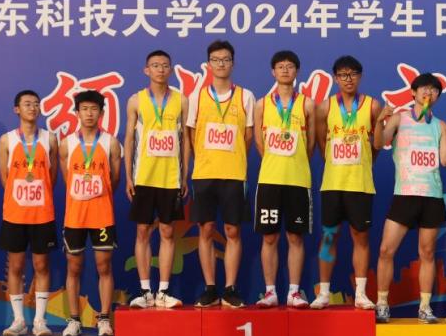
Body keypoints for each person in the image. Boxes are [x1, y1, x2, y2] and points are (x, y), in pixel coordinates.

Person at [373, 73, 446, 323]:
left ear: (437, 96)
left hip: (431, 196)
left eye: (434, 90)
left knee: (427, 253)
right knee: (386, 250)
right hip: (405, 194)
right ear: (413, 92)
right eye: (424, 88)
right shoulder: (400, 119)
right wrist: (379, 122)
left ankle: (425, 307)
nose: (428, 93)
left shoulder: (441, 126)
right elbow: (379, 143)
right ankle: (382, 303)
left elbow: (445, 160)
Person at [186, 40, 255, 308]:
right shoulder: (197, 97)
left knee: (232, 230)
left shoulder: (245, 96)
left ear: (233, 63)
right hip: (204, 174)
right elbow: (192, 134)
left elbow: (248, 136)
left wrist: (233, 157)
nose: (221, 64)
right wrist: (206, 159)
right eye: (216, 60)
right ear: (209, 64)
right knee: (205, 229)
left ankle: (230, 288)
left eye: (226, 59)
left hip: (234, 174)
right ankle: (210, 288)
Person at [311, 55, 384, 310]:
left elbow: (377, 144)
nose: (348, 79)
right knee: (329, 236)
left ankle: (361, 294)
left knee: (360, 238)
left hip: (360, 184)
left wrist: (365, 161)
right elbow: (322, 143)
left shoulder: (373, 105)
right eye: (343, 74)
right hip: (333, 183)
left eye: (352, 74)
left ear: (360, 76)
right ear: (335, 78)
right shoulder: (325, 107)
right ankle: (324, 293)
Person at [125, 50, 189, 309]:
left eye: (164, 65)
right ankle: (145, 292)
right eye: (155, 65)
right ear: (146, 70)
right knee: (142, 231)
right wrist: (128, 176)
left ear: (170, 70)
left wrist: (185, 175)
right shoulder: (136, 100)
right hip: (144, 176)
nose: (160, 69)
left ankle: (163, 291)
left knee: (167, 231)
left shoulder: (181, 100)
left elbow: (186, 140)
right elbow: (129, 139)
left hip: (170, 177)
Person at [253, 50, 316, 308]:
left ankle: (293, 292)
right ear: (273, 72)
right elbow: (259, 142)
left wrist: (296, 162)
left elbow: (311, 143)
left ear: (297, 71)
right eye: (280, 66)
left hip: (298, 181)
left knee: (295, 237)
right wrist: (274, 161)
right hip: (270, 180)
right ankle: (270, 292)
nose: (285, 70)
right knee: (269, 237)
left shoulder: (307, 104)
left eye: (290, 66)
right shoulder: (262, 104)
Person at [60, 90, 122, 336]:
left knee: (104, 266)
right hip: (75, 215)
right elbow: (67, 179)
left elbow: (114, 179)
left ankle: (104, 319)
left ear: (101, 113)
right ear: (77, 112)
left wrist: (97, 194)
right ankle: (74, 319)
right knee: (73, 267)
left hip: (102, 215)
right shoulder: (67, 144)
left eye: (94, 109)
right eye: (84, 109)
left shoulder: (110, 143)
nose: (89, 114)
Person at [0, 90, 58, 336]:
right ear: (17, 109)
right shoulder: (7, 140)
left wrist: (37, 195)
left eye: (36, 104)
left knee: (41, 265)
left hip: (42, 213)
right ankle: (19, 320)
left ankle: (40, 321)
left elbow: (52, 177)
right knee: (16, 265)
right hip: (15, 213)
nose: (32, 108)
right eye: (27, 104)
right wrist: (21, 197)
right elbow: (5, 178)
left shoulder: (50, 139)